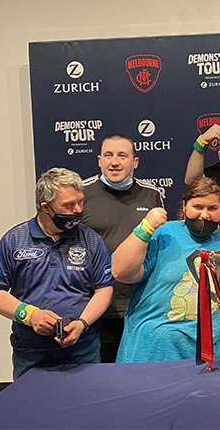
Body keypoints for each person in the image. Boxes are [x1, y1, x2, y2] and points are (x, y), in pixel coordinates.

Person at [0, 168, 114, 379]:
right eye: (69, 205)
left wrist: (82, 324)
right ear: (46, 207)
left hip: (83, 347)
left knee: (85, 407)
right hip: (30, 349)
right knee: (32, 408)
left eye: (80, 202)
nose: (78, 209)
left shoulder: (90, 240)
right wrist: (30, 315)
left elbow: (104, 289)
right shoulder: (14, 240)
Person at [112, 177, 220, 363]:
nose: (204, 215)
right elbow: (120, 272)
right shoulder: (163, 233)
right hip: (157, 347)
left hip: (217, 348)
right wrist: (145, 228)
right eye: (198, 207)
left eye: (212, 208)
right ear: (184, 206)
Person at [81, 134, 164, 363]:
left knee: (139, 378)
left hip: (141, 306)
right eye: (108, 155)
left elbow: (158, 248)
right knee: (102, 380)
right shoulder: (82, 194)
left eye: (122, 155)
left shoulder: (152, 195)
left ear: (135, 162)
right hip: (98, 307)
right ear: (99, 160)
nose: (114, 162)